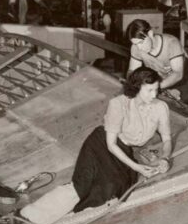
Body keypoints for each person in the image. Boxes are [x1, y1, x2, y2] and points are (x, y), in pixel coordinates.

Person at [72, 66, 172, 212]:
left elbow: (167, 138)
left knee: (115, 186)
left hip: (125, 149)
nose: (154, 95)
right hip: (102, 143)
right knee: (83, 184)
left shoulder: (161, 107)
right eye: (149, 90)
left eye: (156, 90)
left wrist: (165, 158)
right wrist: (136, 167)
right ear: (137, 88)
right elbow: (111, 145)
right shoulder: (118, 104)